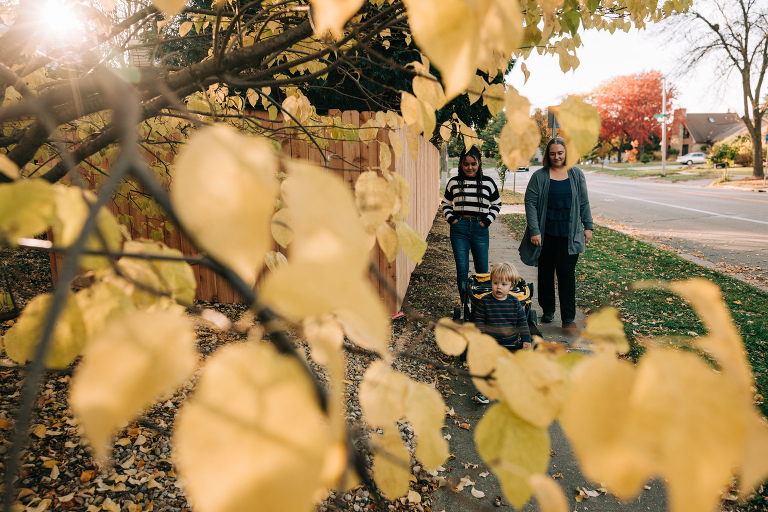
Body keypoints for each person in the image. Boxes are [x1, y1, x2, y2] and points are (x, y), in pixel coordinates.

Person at [518, 137, 593, 329]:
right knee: (545, 273)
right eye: (553, 153)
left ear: (566, 153)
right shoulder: (540, 176)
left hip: (570, 235)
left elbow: (584, 202)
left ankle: (568, 318)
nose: (557, 156)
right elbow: (530, 203)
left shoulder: (576, 174)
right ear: (547, 155)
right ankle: (548, 310)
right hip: (545, 235)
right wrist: (535, 230)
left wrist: (588, 225)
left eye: (560, 153)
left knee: (566, 275)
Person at [442, 146, 501, 302]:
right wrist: (452, 219)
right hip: (459, 228)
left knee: (482, 271)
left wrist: (487, 221)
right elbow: (446, 204)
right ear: (461, 164)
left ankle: (481, 306)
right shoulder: (454, 182)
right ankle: (466, 306)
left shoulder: (488, 183)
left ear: (479, 163)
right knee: (462, 270)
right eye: (466, 164)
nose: (470, 167)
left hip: (480, 228)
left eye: (473, 164)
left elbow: (497, 204)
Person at [471, 262, 532, 404]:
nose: (499, 287)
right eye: (495, 283)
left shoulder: (515, 303)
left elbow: (522, 322)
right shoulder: (485, 301)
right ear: (491, 282)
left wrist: (526, 339)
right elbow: (479, 321)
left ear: (511, 286)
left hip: (510, 342)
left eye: (503, 284)